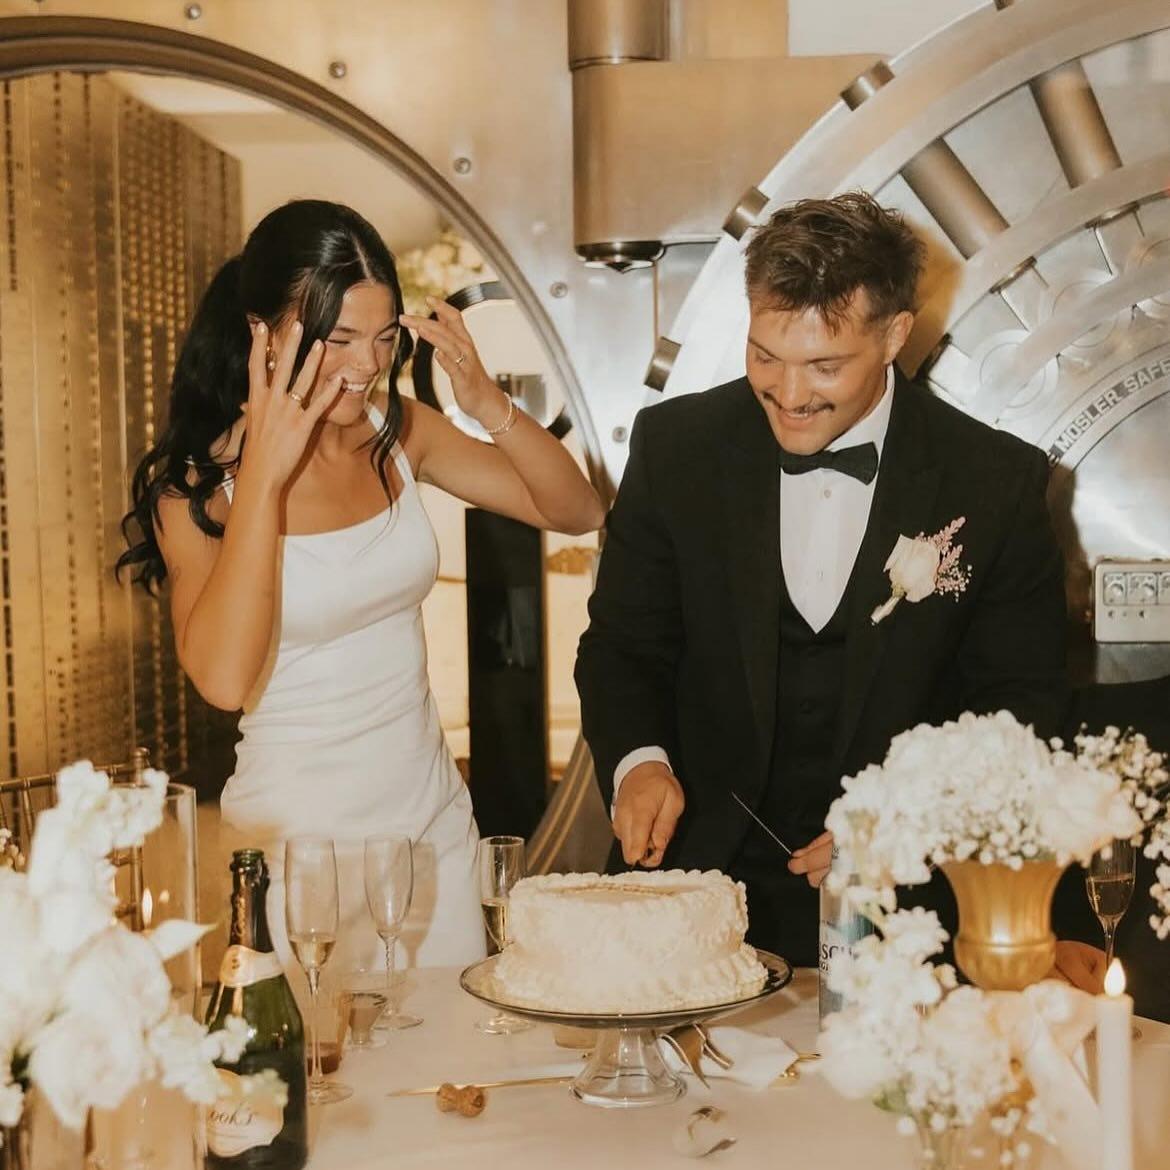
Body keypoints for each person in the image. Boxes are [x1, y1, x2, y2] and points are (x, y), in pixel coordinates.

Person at [575, 191, 1072, 971]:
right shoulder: (677, 447)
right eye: (765, 356)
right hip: (691, 885)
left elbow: (1022, 707)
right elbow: (623, 648)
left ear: (895, 335)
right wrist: (640, 764)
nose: (790, 393)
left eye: (825, 366)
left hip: (908, 906)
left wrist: (902, 821)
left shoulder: (993, 482)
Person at [119, 200, 604, 978]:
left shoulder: (396, 433)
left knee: (451, 1048)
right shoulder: (199, 490)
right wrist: (264, 474)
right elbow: (224, 679)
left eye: (382, 338)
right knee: (317, 1051)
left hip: (431, 835)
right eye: (338, 338)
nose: (365, 364)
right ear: (263, 332)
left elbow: (577, 511)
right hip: (298, 851)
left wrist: (486, 405)